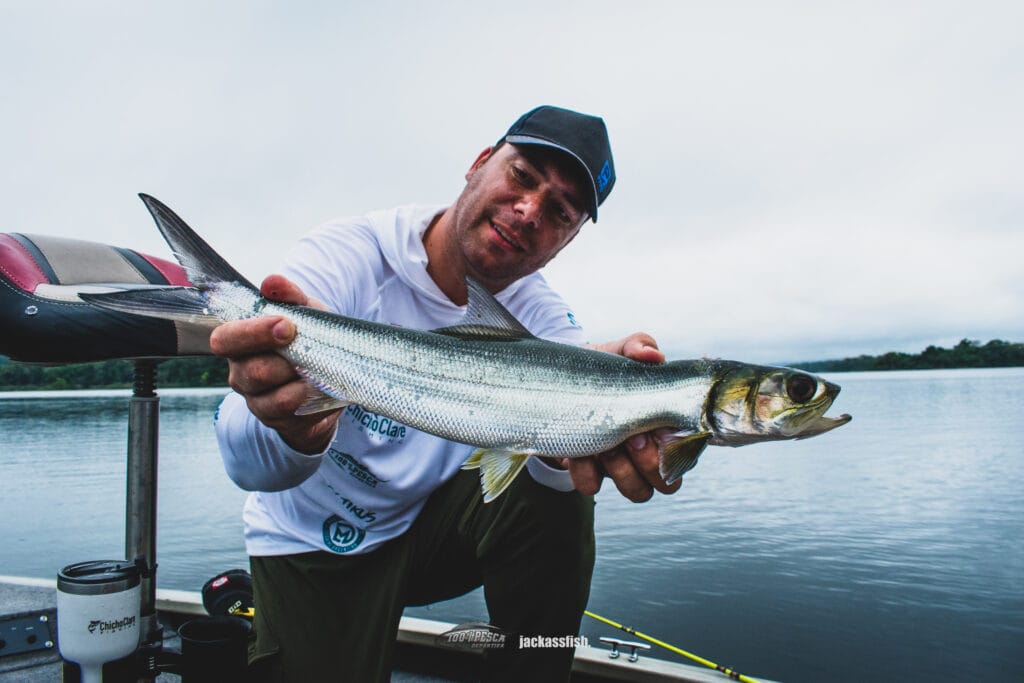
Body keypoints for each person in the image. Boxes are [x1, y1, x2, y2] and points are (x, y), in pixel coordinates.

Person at [211, 105, 680, 682]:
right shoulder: (349, 255)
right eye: (523, 175)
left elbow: (562, 476)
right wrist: (288, 425)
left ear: (569, 239)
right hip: (310, 545)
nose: (530, 210)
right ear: (479, 164)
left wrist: (595, 426)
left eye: (560, 212)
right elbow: (242, 459)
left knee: (559, 498)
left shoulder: (542, 317)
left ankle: (532, 669)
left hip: (422, 533)